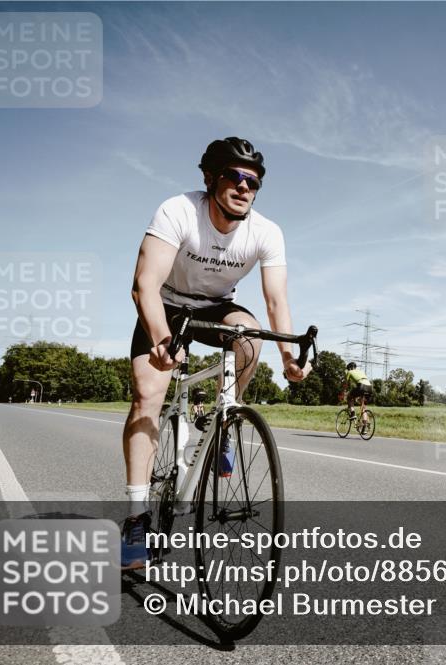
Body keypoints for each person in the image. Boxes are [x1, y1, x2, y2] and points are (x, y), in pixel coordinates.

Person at [120, 137, 311, 569]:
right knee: (148, 396)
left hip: (216, 307)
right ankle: (135, 517)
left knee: (250, 337)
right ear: (210, 178)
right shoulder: (177, 211)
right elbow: (144, 286)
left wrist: (287, 359)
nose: (245, 188)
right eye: (236, 177)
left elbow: (276, 302)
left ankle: (223, 417)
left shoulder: (266, 232)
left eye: (254, 183)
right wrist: (161, 338)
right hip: (166, 305)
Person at [342, 362, 373, 427]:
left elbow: (346, 384)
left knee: (349, 398)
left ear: (350, 368)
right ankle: (364, 425)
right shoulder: (361, 371)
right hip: (370, 387)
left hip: (361, 386)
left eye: (348, 369)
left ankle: (353, 413)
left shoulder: (349, 372)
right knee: (363, 406)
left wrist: (344, 392)